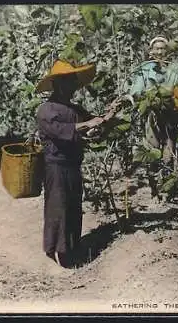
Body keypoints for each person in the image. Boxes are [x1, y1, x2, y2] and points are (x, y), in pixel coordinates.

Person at [36, 60, 120, 268]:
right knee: (58, 208)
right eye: (68, 82)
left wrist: (109, 115)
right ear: (57, 84)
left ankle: (72, 251)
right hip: (55, 166)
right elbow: (61, 130)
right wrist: (88, 124)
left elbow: (94, 126)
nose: (72, 87)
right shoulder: (46, 110)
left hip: (73, 164)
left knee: (74, 207)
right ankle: (54, 254)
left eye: (73, 82)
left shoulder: (75, 108)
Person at [125, 35, 178, 200]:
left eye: (163, 49)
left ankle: (167, 191)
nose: (160, 52)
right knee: (152, 152)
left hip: (171, 115)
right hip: (152, 116)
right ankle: (154, 189)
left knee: (169, 153)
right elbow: (136, 90)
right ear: (151, 51)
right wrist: (144, 96)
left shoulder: (175, 68)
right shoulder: (145, 69)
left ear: (167, 51)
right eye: (156, 49)